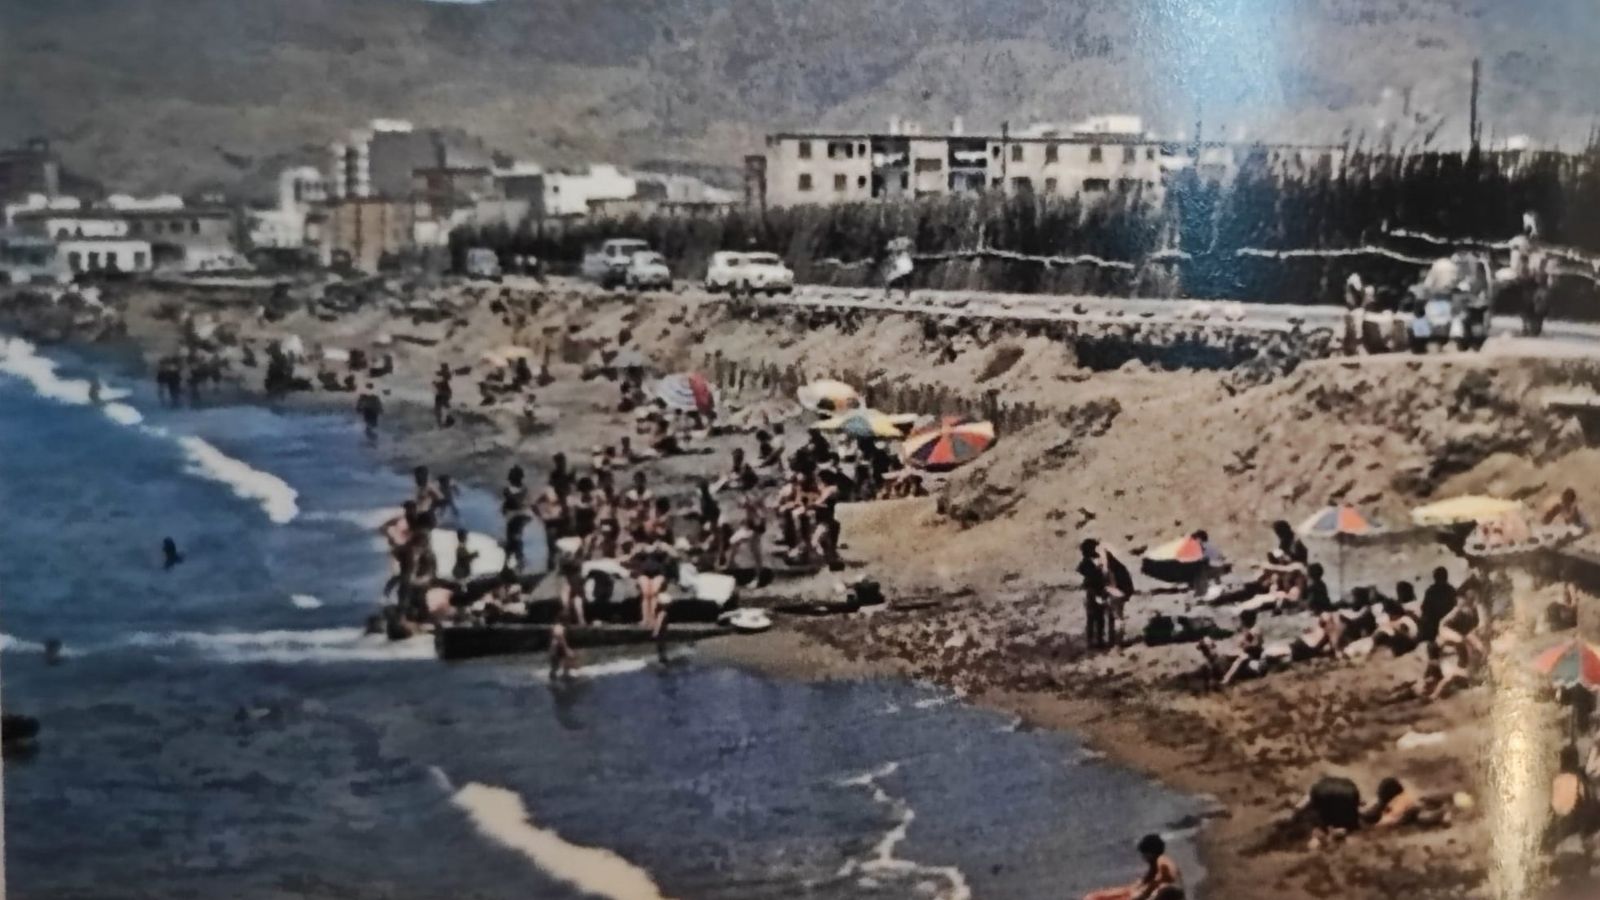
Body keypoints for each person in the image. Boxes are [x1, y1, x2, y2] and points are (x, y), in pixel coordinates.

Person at [1083, 833, 1184, 900]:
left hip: (1170, 895)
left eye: (1144, 854)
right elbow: (1144, 882)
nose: (1143, 857)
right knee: (1125, 892)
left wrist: (1139, 895)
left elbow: (1160, 878)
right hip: (1170, 894)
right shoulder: (1158, 862)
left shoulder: (1161, 860)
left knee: (1093, 897)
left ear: (1150, 852)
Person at [1221, 610, 1265, 686]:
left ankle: (1227, 678)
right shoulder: (1249, 630)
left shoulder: (1254, 630)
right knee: (1237, 656)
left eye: (1243, 619)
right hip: (1249, 653)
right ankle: (1227, 677)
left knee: (1242, 658)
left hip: (1254, 654)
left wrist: (1244, 645)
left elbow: (1255, 644)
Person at [1419, 567, 1457, 644]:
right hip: (1449, 623)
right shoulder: (1452, 590)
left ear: (1435, 578)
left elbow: (1425, 609)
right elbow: (1455, 606)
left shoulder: (1431, 591)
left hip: (1433, 625)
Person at [432, 363, 453, 427]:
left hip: (444, 393)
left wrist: (436, 383)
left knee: (442, 406)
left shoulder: (446, 374)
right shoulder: (439, 373)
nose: (442, 369)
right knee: (439, 408)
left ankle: (447, 420)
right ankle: (442, 422)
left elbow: (447, 378)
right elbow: (435, 382)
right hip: (442, 393)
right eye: (442, 367)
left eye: (444, 367)